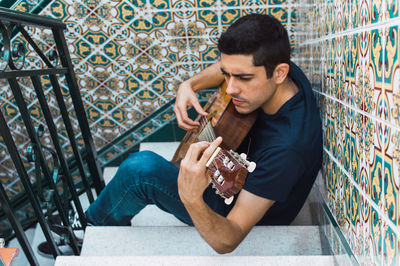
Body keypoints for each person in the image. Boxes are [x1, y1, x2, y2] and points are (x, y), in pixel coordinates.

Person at [39, 13, 322, 256]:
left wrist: (190, 197)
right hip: (237, 165)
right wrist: (189, 84)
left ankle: (89, 230)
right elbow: (231, 69)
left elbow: (229, 238)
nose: (231, 88)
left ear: (280, 73)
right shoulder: (276, 66)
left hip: (244, 208)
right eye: (227, 75)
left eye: (244, 79)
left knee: (140, 171)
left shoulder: (288, 148)